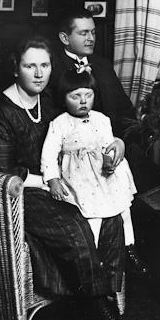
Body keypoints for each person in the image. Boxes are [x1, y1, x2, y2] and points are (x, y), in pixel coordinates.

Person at [0, 36, 137, 320]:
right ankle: (104, 317)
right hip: (20, 194)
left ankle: (106, 306)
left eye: (45, 65)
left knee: (110, 216)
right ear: (15, 68)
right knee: (74, 225)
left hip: (64, 183)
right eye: (30, 66)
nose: (39, 73)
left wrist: (116, 143)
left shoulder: (50, 103)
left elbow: (86, 130)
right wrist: (50, 181)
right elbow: (4, 172)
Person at [48, 7, 160, 192]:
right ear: (65, 38)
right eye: (83, 33)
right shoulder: (53, 71)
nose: (91, 38)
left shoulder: (103, 65)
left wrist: (122, 142)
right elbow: (57, 124)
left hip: (116, 147)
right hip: (79, 156)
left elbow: (125, 110)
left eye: (93, 32)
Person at [41, 69, 138, 261]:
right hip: (81, 178)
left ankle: (130, 248)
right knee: (93, 216)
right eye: (75, 96)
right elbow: (49, 154)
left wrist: (111, 160)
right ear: (64, 99)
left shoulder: (101, 119)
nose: (83, 101)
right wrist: (53, 180)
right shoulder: (60, 124)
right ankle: (93, 255)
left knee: (123, 209)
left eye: (88, 95)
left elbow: (108, 145)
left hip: (106, 176)